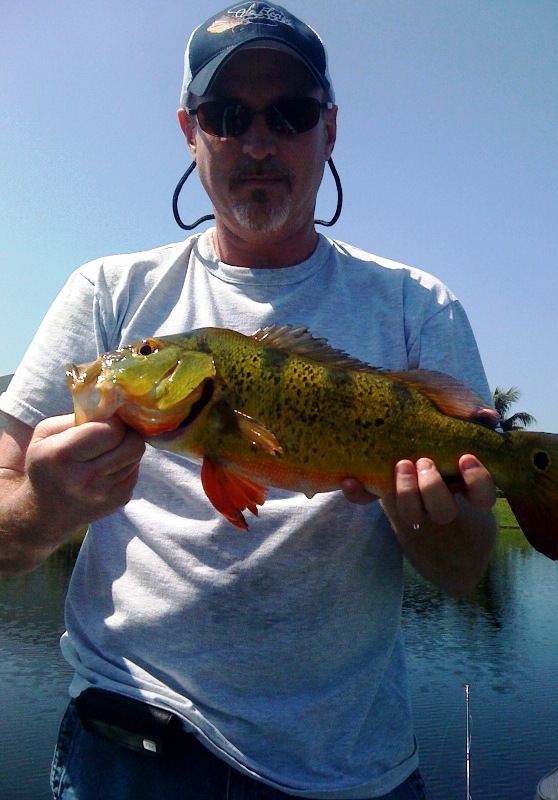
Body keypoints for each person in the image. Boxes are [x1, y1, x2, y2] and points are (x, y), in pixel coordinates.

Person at [0, 3, 497, 798]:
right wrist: (45, 507)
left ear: (329, 129)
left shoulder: (417, 308)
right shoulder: (105, 292)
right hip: (132, 746)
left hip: (347, 769)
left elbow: (465, 566)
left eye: (289, 114)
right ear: (189, 131)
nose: (258, 143)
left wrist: (425, 516)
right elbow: (2, 537)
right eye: (228, 116)